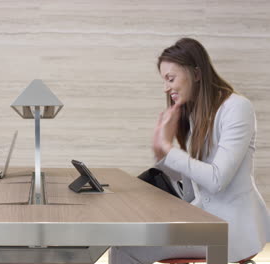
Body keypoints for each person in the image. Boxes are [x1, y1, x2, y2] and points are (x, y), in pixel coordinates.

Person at [110, 38, 270, 263]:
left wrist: (168, 150)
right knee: (129, 237)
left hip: (230, 227)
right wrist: (162, 156)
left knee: (126, 247)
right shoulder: (196, 116)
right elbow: (191, 192)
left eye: (171, 78)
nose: (166, 88)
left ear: (196, 74)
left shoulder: (237, 108)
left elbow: (216, 179)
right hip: (205, 219)